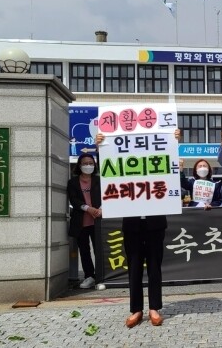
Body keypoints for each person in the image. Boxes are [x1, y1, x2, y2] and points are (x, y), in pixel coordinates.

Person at [95, 133, 166, 328]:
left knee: (154, 267)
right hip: (133, 225)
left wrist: (174, 140)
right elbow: (109, 165)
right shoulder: (126, 165)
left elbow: (169, 164)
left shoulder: (156, 162)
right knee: (134, 268)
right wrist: (100, 146)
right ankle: (136, 309)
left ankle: (154, 308)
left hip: (155, 224)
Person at [67, 153, 102, 289]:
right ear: (79, 165)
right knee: (84, 250)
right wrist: (88, 208)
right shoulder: (73, 182)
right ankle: (89, 276)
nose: (88, 165)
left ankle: (100, 277)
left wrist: (100, 209)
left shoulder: (99, 180)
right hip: (81, 221)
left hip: (97, 220)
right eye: (85, 163)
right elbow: (74, 200)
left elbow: (107, 195)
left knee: (99, 249)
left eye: (91, 163)